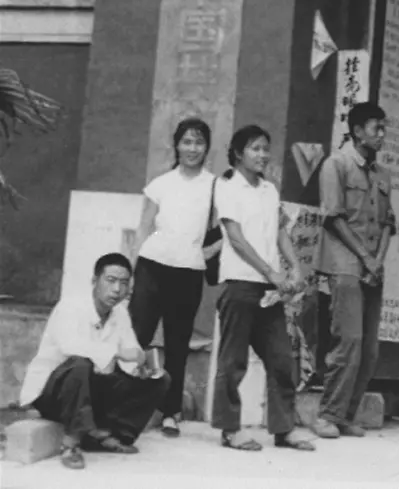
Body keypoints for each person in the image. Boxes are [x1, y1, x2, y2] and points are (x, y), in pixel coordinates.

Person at [210, 124, 314, 452]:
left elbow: (280, 232)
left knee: (281, 359)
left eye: (266, 148)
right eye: (255, 148)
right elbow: (236, 239)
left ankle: (283, 430)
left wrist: (294, 266)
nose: (262, 155)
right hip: (240, 285)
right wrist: (272, 272)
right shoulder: (227, 186)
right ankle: (230, 430)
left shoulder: (269, 189)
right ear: (239, 153)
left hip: (269, 292)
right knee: (233, 361)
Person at [19, 253, 169, 469]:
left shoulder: (120, 313)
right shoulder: (71, 306)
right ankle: (71, 443)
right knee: (81, 364)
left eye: (124, 283)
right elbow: (71, 346)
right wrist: (118, 353)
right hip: (53, 393)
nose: (117, 289)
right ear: (94, 281)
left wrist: (139, 366)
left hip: (91, 391)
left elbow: (132, 348)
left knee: (160, 380)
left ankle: (108, 434)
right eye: (111, 280)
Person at [128, 116, 219, 437]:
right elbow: (143, 228)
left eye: (199, 142)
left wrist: (204, 253)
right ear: (177, 145)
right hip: (152, 266)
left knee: (177, 344)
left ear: (207, 147)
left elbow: (226, 229)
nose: (192, 148)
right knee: (137, 336)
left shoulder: (214, 186)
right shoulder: (161, 183)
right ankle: (126, 405)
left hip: (188, 274)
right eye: (187, 141)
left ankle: (170, 412)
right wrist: (130, 271)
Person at [311, 102, 394, 439]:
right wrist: (365, 257)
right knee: (349, 340)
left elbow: (390, 223)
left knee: (370, 348)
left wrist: (378, 261)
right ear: (358, 130)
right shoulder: (337, 164)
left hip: (373, 268)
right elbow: (333, 218)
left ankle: (346, 415)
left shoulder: (383, 174)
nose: (382, 134)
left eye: (384, 128)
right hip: (344, 265)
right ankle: (327, 415)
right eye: (377, 128)